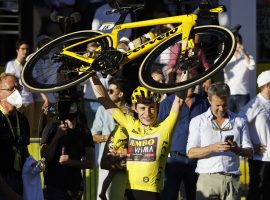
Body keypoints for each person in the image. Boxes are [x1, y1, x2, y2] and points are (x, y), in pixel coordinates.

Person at [90, 73, 186, 200]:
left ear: (157, 107)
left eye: (152, 108)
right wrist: (92, 75)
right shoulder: (131, 124)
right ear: (134, 108)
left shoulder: (164, 128)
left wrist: (185, 69)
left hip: (152, 192)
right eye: (142, 108)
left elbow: (178, 101)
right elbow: (104, 99)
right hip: (129, 191)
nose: (147, 113)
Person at [186, 82, 253, 199]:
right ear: (209, 100)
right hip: (208, 179)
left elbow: (250, 152)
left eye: (225, 105)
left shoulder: (239, 121)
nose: (221, 109)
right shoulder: (198, 121)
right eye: (218, 105)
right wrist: (212, 148)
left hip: (233, 179)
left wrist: (237, 149)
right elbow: (191, 153)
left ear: (229, 99)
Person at [158, 87, 209, 200]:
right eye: (188, 84)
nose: (191, 87)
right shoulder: (167, 102)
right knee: (169, 196)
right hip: (174, 158)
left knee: (194, 196)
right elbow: (159, 129)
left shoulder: (203, 102)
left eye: (193, 83)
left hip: (196, 159)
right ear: (178, 84)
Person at [40, 99, 95, 200]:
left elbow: (91, 163)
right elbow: (45, 157)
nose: (68, 123)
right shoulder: (51, 128)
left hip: (75, 188)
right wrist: (57, 137)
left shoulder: (84, 131)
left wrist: (70, 162)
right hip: (54, 187)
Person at [91, 76, 132, 200]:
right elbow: (93, 136)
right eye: (108, 90)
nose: (108, 93)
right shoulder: (102, 110)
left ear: (121, 94)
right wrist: (107, 138)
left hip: (127, 161)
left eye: (111, 91)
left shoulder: (133, 111)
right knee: (103, 195)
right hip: (107, 160)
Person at [5, 39, 49, 137]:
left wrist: (44, 97)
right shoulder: (11, 65)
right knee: (16, 128)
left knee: (30, 129)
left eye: (27, 49)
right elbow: (6, 84)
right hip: (16, 102)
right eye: (22, 49)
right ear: (17, 50)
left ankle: (29, 151)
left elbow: (34, 83)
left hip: (29, 101)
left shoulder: (29, 65)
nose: (25, 51)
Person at [238, 70, 270, 200]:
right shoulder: (255, 104)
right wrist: (249, 145)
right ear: (268, 86)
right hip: (260, 159)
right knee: (257, 191)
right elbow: (238, 125)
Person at [0, 73, 30, 198]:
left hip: (19, 180)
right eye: (11, 89)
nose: (16, 93)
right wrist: (11, 195)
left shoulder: (22, 119)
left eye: (18, 88)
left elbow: (24, 148)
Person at [223, 33, 256, 113]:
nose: (236, 44)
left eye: (238, 42)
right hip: (228, 94)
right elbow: (218, 65)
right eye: (234, 42)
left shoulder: (246, 56)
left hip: (243, 93)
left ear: (241, 43)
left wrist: (243, 52)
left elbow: (252, 66)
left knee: (243, 119)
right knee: (228, 119)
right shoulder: (226, 56)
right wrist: (225, 51)